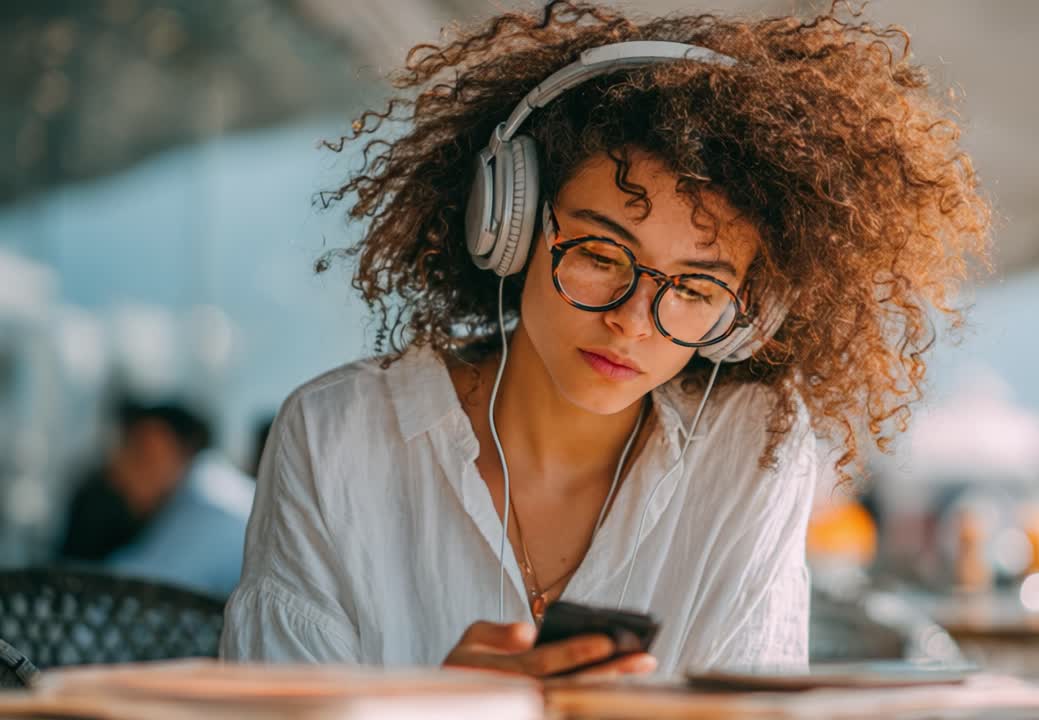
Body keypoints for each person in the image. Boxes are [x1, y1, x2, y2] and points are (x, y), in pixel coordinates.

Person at [220, 1, 990, 677]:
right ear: (510, 227)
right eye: (598, 255)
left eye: (693, 288)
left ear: (745, 314)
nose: (633, 319)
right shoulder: (335, 438)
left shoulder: (752, 448)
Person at [61, 399, 256, 598]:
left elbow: (137, 590)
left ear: (186, 450)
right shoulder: (213, 490)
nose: (120, 468)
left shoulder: (210, 503)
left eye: (142, 454)